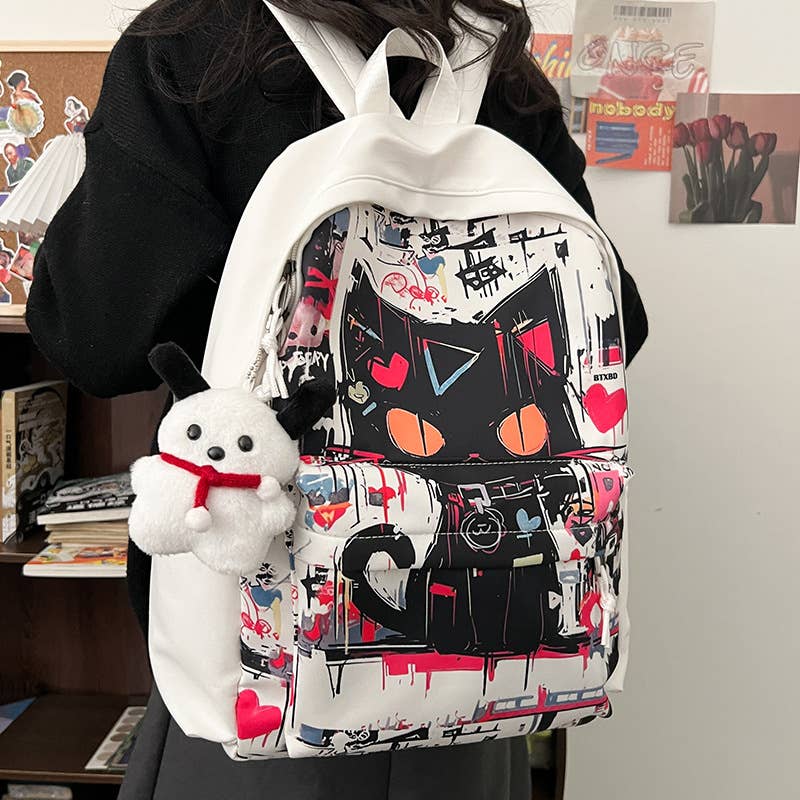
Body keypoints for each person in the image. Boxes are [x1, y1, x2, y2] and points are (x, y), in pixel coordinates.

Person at [26, 1, 648, 798]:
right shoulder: (487, 58)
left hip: (268, 644)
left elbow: (96, 337)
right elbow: (615, 328)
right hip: (486, 666)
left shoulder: (193, 42)